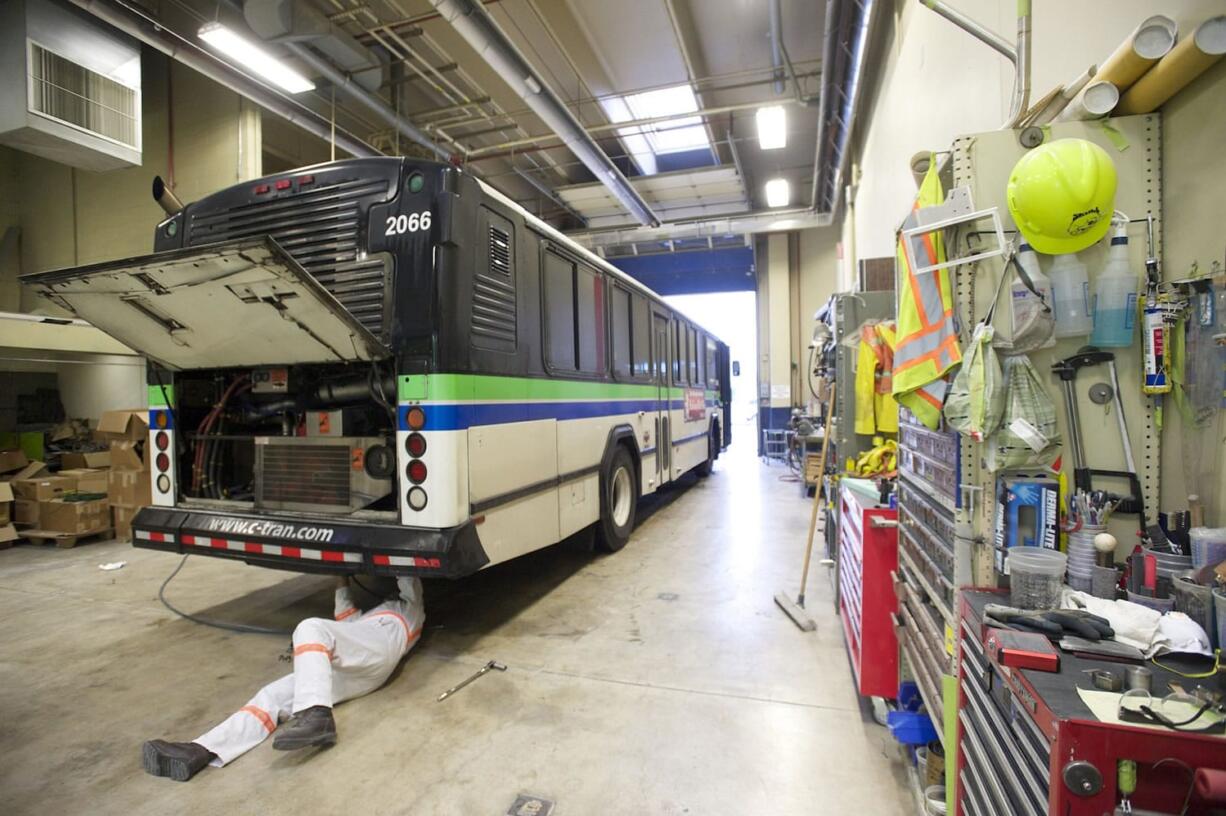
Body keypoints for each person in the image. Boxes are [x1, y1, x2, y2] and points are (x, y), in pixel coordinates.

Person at [142, 575, 425, 782]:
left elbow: (410, 582)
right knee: (271, 696)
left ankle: (318, 716)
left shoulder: (409, 611)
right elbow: (345, 615)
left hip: (382, 647)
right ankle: (201, 750)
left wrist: (388, 559)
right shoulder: (363, 621)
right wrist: (341, 576)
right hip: (361, 669)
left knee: (310, 627)